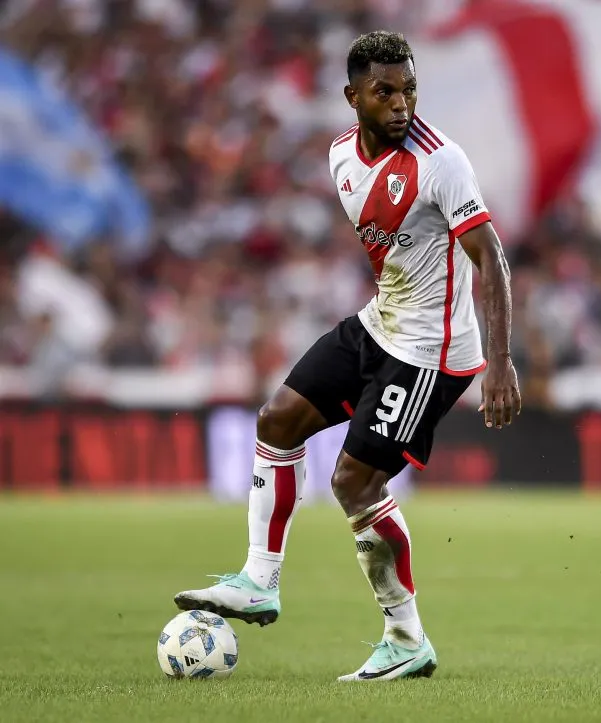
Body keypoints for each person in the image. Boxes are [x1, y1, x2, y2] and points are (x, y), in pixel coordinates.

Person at [173, 30, 521, 682]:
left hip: (433, 350)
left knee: (355, 483)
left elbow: (490, 257)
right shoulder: (340, 157)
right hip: (379, 324)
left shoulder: (441, 162)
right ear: (352, 95)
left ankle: (405, 636)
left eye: (410, 89)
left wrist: (500, 361)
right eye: (385, 91)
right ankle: (259, 579)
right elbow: (395, 253)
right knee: (276, 420)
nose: (401, 104)